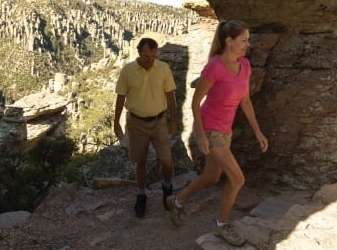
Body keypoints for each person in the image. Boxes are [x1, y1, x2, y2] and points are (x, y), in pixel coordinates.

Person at [165, 20, 268, 246]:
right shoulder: (215, 67)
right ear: (229, 41)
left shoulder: (245, 66)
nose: (247, 44)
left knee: (212, 176)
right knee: (238, 178)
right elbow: (195, 102)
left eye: (248, 40)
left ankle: (177, 201)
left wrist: (258, 132)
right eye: (244, 40)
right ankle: (222, 225)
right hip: (211, 130)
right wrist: (201, 135)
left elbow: (246, 102)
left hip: (225, 130)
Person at [114, 37, 178, 218]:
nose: (148, 59)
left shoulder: (163, 69)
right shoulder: (128, 71)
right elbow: (120, 96)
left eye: (151, 55)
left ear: (156, 52)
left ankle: (167, 186)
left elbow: (170, 95)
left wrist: (174, 121)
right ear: (138, 53)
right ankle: (141, 194)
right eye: (144, 55)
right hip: (136, 123)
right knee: (140, 161)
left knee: (166, 160)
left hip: (159, 122)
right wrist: (116, 121)